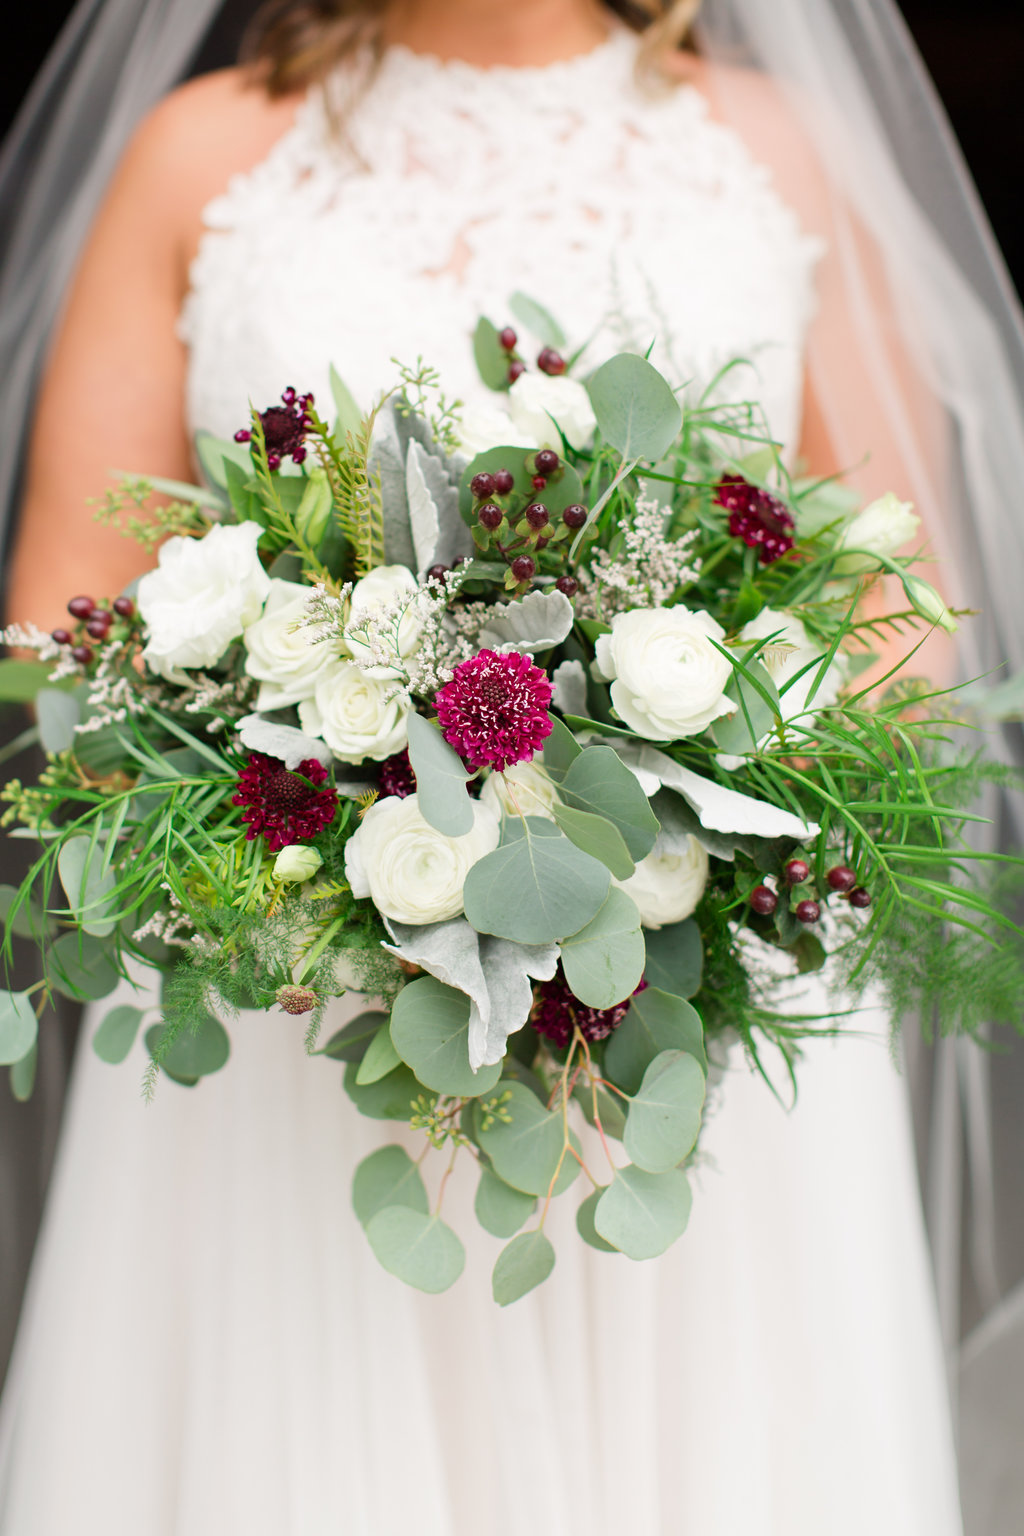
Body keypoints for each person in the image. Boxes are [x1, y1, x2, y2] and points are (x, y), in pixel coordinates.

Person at [0, 0, 1021, 1529]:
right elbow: (58, 623)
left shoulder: (780, 152)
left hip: (703, 1042)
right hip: (293, 1037)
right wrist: (278, 881)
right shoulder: (198, 154)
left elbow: (903, 606)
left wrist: (702, 838)